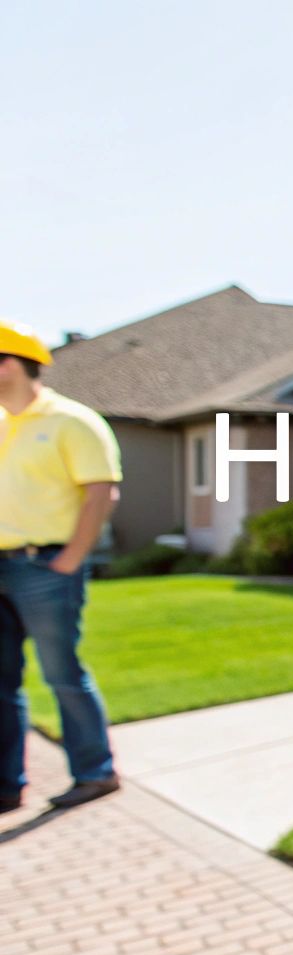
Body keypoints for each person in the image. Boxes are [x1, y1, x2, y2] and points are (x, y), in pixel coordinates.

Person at [0, 322, 122, 812]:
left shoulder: (73, 421)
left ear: (10, 363)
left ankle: (96, 773)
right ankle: (8, 784)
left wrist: (70, 559)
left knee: (62, 674)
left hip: (45, 566)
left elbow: (101, 492)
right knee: (1, 683)